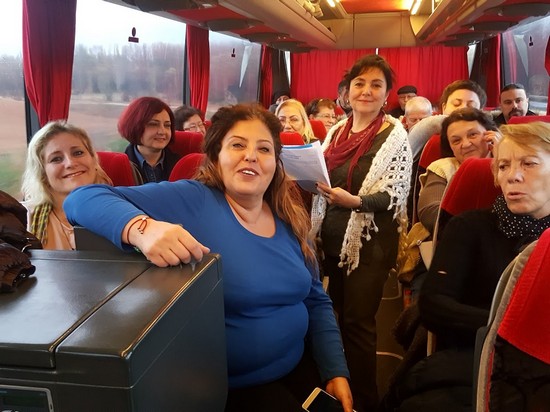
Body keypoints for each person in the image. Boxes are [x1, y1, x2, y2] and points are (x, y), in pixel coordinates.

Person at [64, 103, 354, 412]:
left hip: (301, 367)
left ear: (275, 163)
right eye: (237, 145)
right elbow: (82, 199)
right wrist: (142, 229)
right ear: (216, 157)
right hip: (236, 389)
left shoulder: (289, 216)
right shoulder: (194, 200)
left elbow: (315, 299)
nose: (251, 156)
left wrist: (335, 369)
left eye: (264, 149)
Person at [410, 121, 550, 410]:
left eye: (528, 164)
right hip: (476, 357)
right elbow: (434, 305)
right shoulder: (470, 227)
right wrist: (506, 329)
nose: (513, 176)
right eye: (503, 166)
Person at [311, 54, 412, 412]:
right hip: (332, 237)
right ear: (347, 91)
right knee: (335, 314)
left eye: (376, 85)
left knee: (358, 323)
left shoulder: (395, 136)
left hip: (369, 242)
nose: (366, 91)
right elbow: (325, 176)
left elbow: (395, 195)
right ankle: (341, 387)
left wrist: (356, 201)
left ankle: (366, 400)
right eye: (360, 83)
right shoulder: (337, 131)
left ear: (386, 95)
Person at [21, 121, 112, 250]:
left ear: (93, 160)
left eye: (78, 153)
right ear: (42, 173)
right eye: (56, 159)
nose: (70, 163)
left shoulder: (122, 210)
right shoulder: (22, 219)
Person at [417, 108, 499, 234]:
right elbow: (430, 213)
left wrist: (503, 156)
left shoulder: (515, 164)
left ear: (491, 134)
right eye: (456, 141)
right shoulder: (443, 168)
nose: (466, 144)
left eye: (473, 135)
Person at [408, 79, 487, 162]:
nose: (463, 108)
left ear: (481, 112)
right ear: (444, 107)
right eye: (456, 104)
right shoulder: (432, 124)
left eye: (471, 106)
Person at [119, 96, 180, 184]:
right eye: (153, 124)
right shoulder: (119, 167)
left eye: (167, 125)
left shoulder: (181, 165)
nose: (162, 132)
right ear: (134, 127)